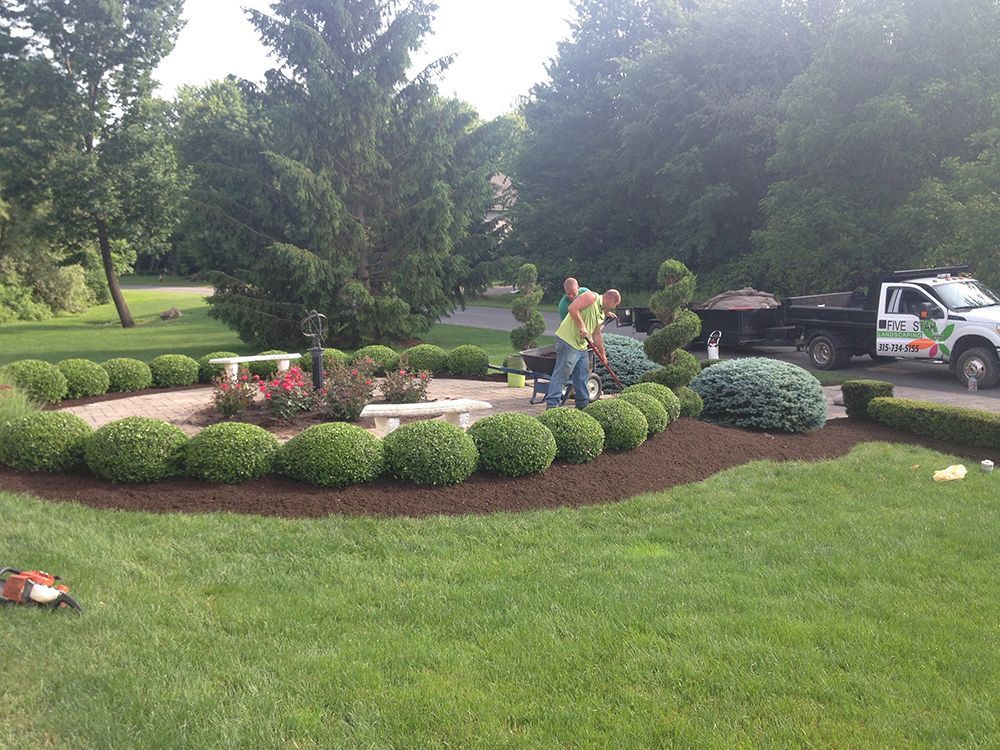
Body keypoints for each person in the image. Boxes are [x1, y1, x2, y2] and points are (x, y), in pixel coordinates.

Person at [545, 289, 621, 409]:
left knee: (582, 376)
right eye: (614, 305)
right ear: (611, 299)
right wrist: (582, 327)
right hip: (568, 341)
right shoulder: (591, 297)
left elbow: (596, 334)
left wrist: (602, 353)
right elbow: (572, 308)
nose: (613, 308)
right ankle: (552, 405)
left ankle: (582, 405)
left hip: (582, 346)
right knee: (561, 375)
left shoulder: (602, 312)